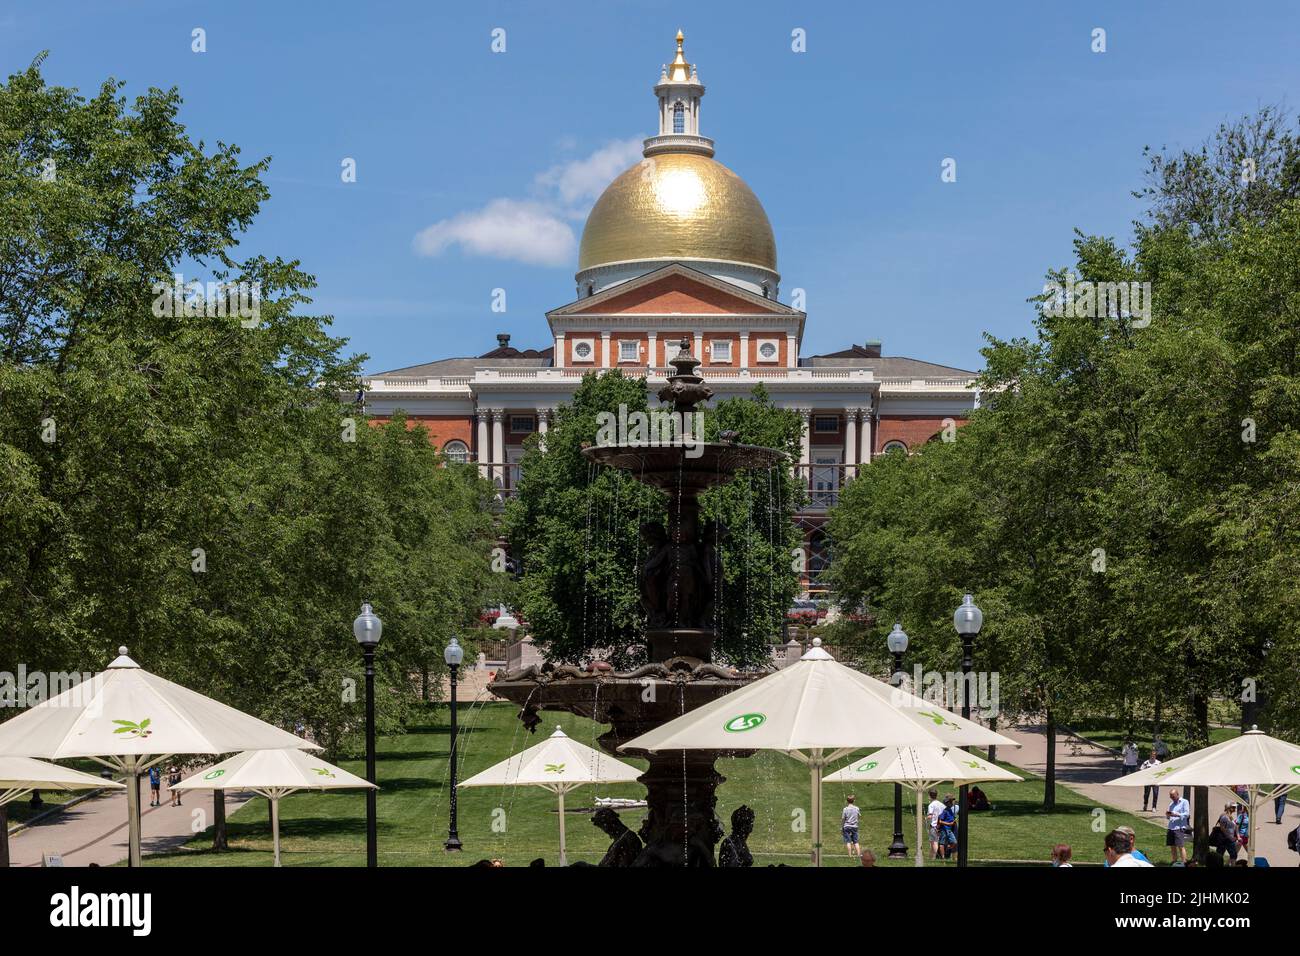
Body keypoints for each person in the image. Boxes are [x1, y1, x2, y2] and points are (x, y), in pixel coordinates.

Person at [1165, 788, 1191, 865]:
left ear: (1177, 794)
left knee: (1180, 846)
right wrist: (1168, 815)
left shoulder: (1184, 802)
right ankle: (1174, 861)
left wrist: (1176, 814)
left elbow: (1187, 814)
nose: (1172, 798)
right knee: (1172, 845)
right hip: (1171, 827)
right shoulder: (1171, 804)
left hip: (1179, 827)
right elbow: (1169, 817)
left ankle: (1184, 862)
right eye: (1170, 796)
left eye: (1173, 796)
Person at [937, 794, 959, 861]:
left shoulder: (950, 810)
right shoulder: (945, 811)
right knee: (942, 843)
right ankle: (943, 857)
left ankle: (948, 849)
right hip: (944, 829)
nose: (952, 802)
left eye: (952, 801)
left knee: (954, 842)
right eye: (951, 801)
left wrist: (954, 821)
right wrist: (949, 823)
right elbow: (940, 821)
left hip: (949, 830)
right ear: (948, 803)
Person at [926, 789, 944, 859]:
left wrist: (925, 818)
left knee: (934, 842)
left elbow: (930, 816)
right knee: (933, 842)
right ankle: (931, 858)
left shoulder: (931, 805)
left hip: (933, 826)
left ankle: (937, 857)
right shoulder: (941, 804)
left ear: (929, 796)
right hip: (940, 825)